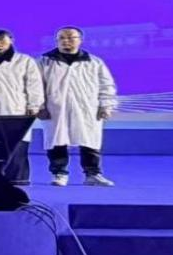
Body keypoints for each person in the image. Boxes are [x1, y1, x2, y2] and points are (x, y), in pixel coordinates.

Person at [38, 27, 117, 187]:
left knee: (90, 140)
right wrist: (39, 106)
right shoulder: (44, 61)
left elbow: (106, 85)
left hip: (87, 108)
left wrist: (106, 105)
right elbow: (36, 86)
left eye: (70, 37)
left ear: (80, 40)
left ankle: (92, 174)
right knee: (57, 140)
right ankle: (59, 173)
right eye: (61, 38)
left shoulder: (93, 62)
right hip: (55, 109)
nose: (65, 41)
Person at [0, 29, 45, 184]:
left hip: (17, 109)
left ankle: (18, 179)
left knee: (18, 144)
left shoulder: (25, 61)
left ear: (11, 40)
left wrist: (34, 105)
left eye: (2, 39)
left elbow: (34, 85)